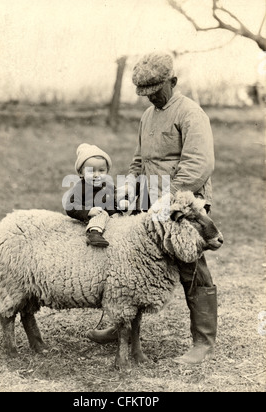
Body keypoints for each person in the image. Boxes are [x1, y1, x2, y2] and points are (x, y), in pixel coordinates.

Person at [87, 53, 218, 365]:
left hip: (181, 207)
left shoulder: (190, 113)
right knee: (131, 267)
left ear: (173, 81)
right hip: (148, 203)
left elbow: (198, 165)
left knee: (192, 268)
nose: (151, 98)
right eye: (145, 94)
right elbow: (139, 159)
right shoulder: (148, 116)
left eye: (156, 91)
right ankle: (118, 326)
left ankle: (202, 341)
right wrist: (130, 185)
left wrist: (167, 201)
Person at [64, 143, 122, 247]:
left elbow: (116, 199)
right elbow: (70, 206)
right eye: (91, 171)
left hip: (111, 217)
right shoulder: (80, 187)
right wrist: (89, 211)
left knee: (120, 217)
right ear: (81, 173)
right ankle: (94, 234)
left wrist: (122, 203)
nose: (97, 175)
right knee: (101, 214)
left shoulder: (109, 186)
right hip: (92, 218)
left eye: (101, 171)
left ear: (107, 171)